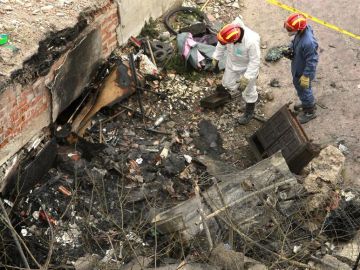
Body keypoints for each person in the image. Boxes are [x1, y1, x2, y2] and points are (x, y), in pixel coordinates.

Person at [211, 18, 261, 125]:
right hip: (232, 64)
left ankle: (249, 112)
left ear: (234, 40)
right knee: (227, 83)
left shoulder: (251, 41)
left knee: (249, 91)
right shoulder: (229, 31)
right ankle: (236, 92)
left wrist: (247, 78)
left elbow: (255, 61)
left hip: (247, 68)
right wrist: (216, 58)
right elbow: (221, 44)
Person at [283, 13, 319, 124]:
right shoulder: (302, 30)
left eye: (290, 29)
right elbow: (295, 41)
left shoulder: (309, 43)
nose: (289, 30)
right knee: (301, 89)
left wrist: (306, 76)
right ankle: (306, 103)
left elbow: (312, 61)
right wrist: (290, 49)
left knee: (304, 89)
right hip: (298, 66)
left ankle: (310, 111)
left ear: (299, 29)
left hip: (303, 72)